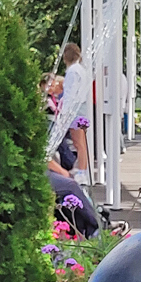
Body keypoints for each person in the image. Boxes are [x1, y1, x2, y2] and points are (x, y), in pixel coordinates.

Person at [58, 44, 91, 185]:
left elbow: (70, 94)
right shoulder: (81, 70)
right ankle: (81, 170)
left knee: (78, 143)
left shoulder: (72, 71)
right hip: (82, 109)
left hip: (75, 111)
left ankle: (82, 172)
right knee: (81, 143)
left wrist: (64, 114)